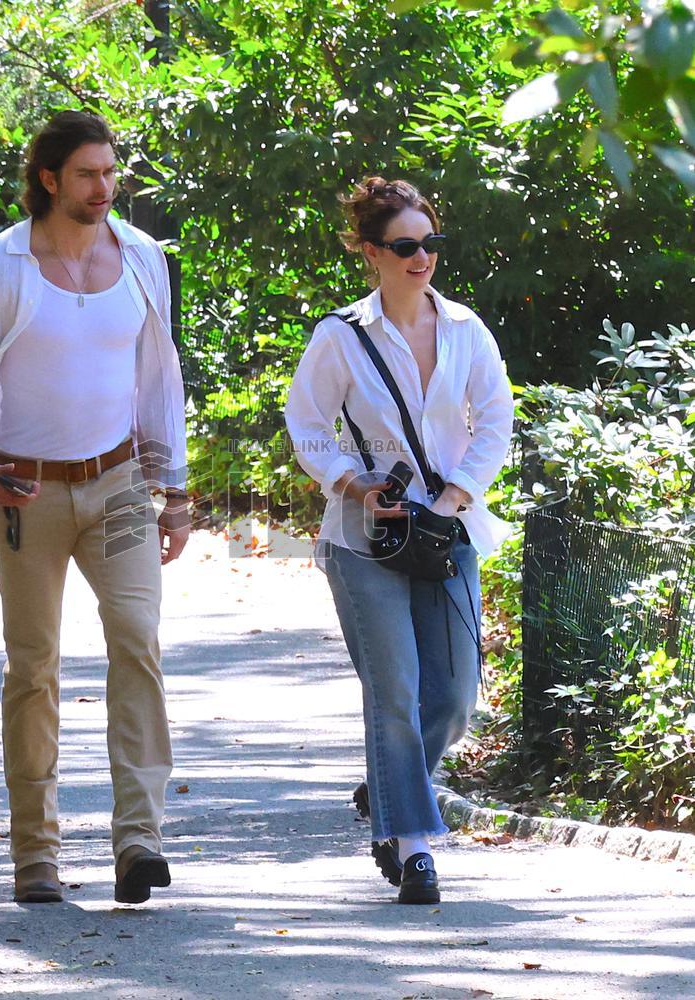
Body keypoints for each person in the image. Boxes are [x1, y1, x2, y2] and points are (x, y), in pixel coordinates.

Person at [0, 110, 189, 905]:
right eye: (88, 174)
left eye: (111, 173)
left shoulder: (143, 258)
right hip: (26, 487)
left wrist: (174, 490)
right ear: (49, 179)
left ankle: (139, 841)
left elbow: (158, 380)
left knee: (137, 644)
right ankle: (35, 857)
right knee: (33, 669)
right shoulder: (1, 264)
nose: (104, 188)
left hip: (117, 482)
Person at [284, 177, 514, 903]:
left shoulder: (466, 330)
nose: (422, 258)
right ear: (371, 253)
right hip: (363, 541)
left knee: (449, 699)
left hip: (447, 531)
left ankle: (388, 784)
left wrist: (449, 498)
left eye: (430, 244)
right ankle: (412, 848)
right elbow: (307, 425)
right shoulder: (339, 337)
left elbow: (496, 424)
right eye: (406, 247)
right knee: (394, 692)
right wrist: (354, 486)